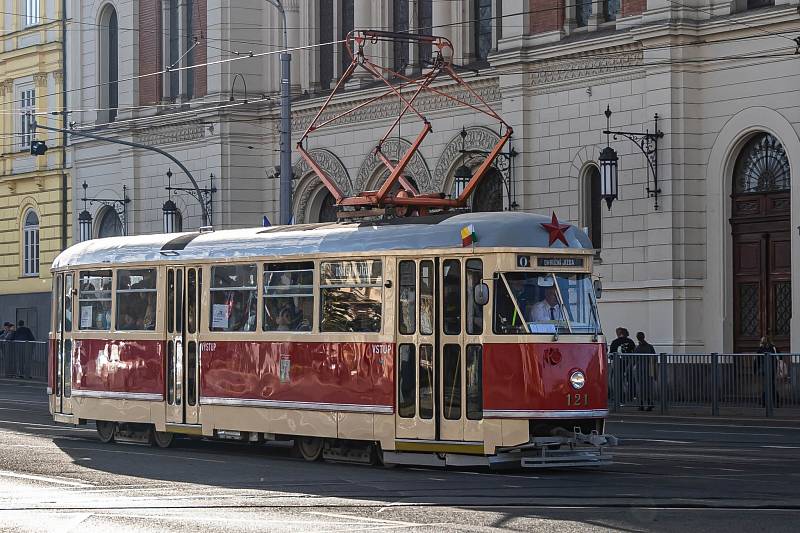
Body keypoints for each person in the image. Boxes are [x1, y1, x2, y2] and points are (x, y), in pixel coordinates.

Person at [754, 336, 780, 407]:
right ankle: (774, 400)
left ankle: (764, 401)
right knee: (771, 384)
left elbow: (756, 360)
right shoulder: (774, 348)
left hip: (764, 370)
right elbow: (780, 357)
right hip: (773, 369)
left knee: (767, 385)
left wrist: (755, 370)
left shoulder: (760, 349)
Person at [634, 331, 656, 411]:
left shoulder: (638, 348)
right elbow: (654, 358)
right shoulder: (649, 347)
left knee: (640, 388)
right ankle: (649, 403)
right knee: (648, 388)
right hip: (648, 370)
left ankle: (641, 404)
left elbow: (634, 360)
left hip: (641, 370)